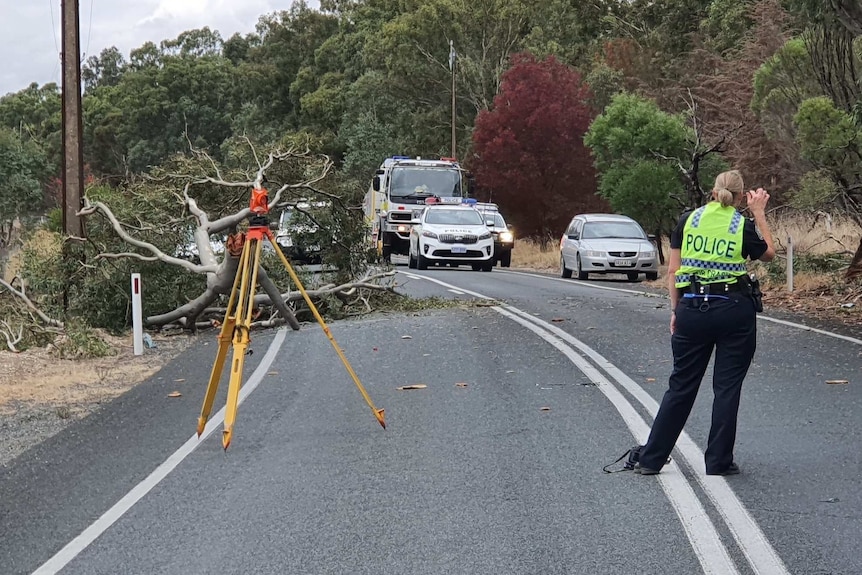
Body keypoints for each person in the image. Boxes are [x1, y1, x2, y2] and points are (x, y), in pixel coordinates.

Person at [635, 170, 776, 476]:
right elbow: (769, 254)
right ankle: (718, 461)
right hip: (734, 310)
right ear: (739, 198)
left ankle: (651, 459)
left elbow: (673, 272)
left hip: (692, 308)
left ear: (713, 192)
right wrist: (759, 213)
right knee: (726, 388)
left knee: (681, 385)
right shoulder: (742, 225)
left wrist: (677, 310)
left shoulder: (688, 220)